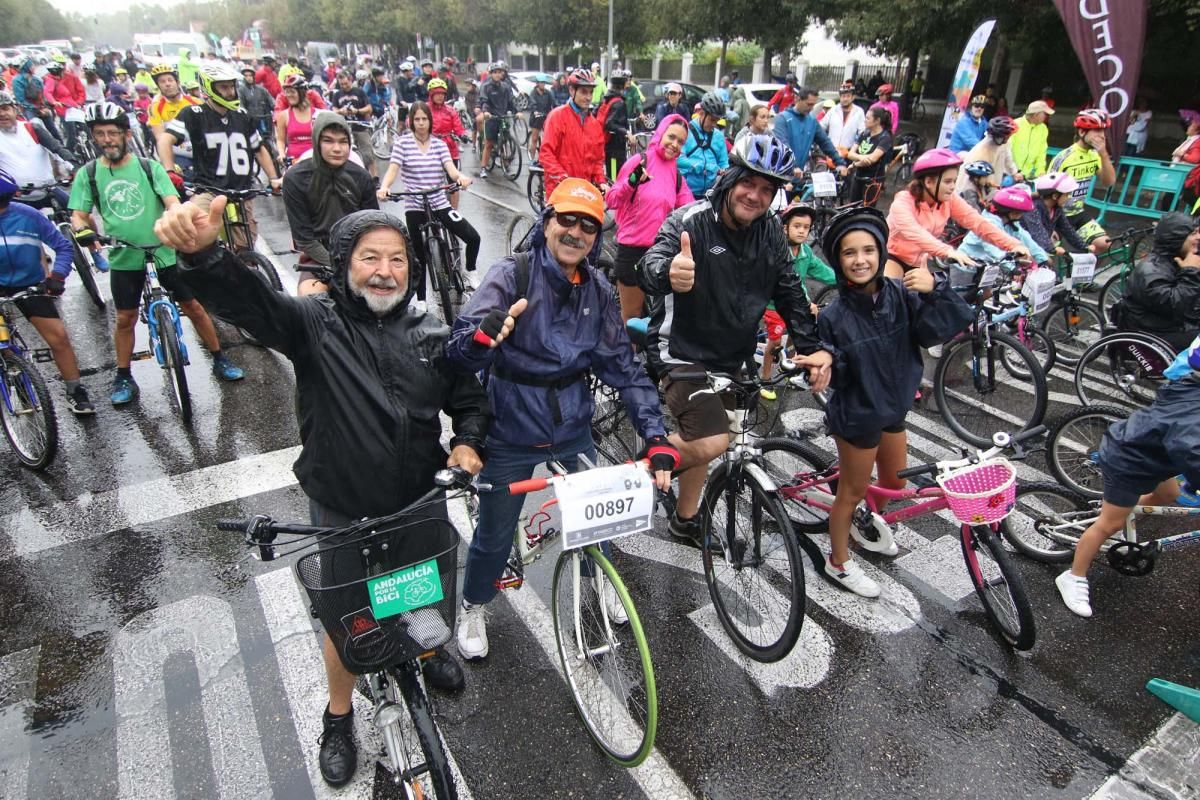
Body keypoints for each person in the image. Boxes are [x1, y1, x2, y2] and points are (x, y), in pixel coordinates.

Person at [153, 199, 488, 787]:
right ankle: (338, 717)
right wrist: (201, 256)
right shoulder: (314, 322)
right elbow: (251, 303)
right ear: (343, 263)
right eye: (369, 258)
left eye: (397, 260)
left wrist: (467, 443)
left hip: (419, 499)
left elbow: (466, 399)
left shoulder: (431, 330)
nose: (386, 271)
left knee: (422, 595)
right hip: (341, 505)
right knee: (350, 622)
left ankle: (431, 651)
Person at [445, 178, 678, 661]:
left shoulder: (596, 287)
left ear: (596, 236)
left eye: (588, 226)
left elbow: (623, 367)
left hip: (572, 425)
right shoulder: (513, 275)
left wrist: (655, 435)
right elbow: (458, 351)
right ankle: (473, 604)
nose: (575, 232)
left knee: (599, 516)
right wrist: (481, 338)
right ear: (547, 222)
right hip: (511, 427)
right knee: (494, 533)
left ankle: (603, 582)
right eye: (566, 220)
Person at [638, 134, 833, 547]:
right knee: (711, 439)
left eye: (767, 189)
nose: (756, 196)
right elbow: (650, 262)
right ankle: (629, 474)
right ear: (729, 179)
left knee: (706, 439)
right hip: (681, 351)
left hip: (732, 355)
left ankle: (685, 519)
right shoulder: (690, 221)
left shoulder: (771, 234)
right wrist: (668, 273)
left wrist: (810, 346)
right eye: (749, 183)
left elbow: (790, 291)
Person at [818, 206, 973, 596]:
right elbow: (834, 367)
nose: (860, 260)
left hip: (895, 406)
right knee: (850, 493)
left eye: (868, 250)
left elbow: (938, 330)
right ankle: (837, 561)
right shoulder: (833, 315)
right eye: (849, 253)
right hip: (857, 415)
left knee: (890, 482)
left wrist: (937, 289)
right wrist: (823, 363)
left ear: (882, 252)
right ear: (838, 260)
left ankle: (867, 522)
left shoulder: (902, 296)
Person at [69, 102, 244, 405]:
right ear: (93, 138)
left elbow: (172, 202)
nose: (107, 139)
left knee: (194, 307)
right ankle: (123, 375)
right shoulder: (89, 174)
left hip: (164, 250)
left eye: (113, 132)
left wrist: (178, 219)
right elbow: (78, 214)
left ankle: (220, 358)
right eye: (100, 134)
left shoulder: (148, 167)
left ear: (125, 135)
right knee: (125, 318)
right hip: (125, 256)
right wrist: (82, 230)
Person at [1055, 331, 1200, 618]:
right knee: (1108, 524)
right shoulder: (1191, 409)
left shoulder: (1188, 382)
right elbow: (1192, 451)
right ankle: (1073, 576)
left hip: (1154, 456)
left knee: (1168, 494)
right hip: (1130, 461)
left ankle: (1126, 514)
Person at [0, 168, 96, 414]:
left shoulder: (28, 215)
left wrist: (57, 276)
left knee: (59, 337)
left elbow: (63, 247)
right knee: (3, 342)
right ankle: (13, 371)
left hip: (29, 284)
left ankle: (75, 390)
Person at [159, 63, 283, 249]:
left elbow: (259, 149)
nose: (230, 91)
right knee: (195, 236)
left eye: (231, 86)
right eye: (223, 87)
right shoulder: (193, 114)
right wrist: (169, 170)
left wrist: (274, 178)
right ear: (209, 88)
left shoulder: (242, 116)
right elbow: (165, 140)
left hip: (242, 191)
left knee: (245, 247)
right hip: (209, 189)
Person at [377, 101, 478, 301]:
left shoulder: (439, 144)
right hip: (414, 206)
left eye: (424, 119)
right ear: (411, 122)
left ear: (430, 121)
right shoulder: (402, 144)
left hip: (439, 202)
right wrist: (385, 187)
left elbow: (451, 169)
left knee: (473, 237)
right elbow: (393, 169)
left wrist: (461, 178)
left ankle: (471, 271)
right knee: (417, 257)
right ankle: (421, 300)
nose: (421, 123)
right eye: (417, 119)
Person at [884, 148, 1028, 279]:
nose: (953, 187)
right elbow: (914, 232)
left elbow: (977, 222)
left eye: (954, 181)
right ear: (928, 182)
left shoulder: (948, 200)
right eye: (948, 181)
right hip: (892, 256)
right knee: (891, 294)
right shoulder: (903, 201)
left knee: (928, 303)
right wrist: (948, 251)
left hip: (919, 261)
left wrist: (1012, 244)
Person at [606, 113, 693, 323]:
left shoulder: (675, 173)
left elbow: (690, 207)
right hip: (632, 250)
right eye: (671, 137)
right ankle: (627, 356)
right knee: (632, 318)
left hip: (658, 252)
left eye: (680, 142)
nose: (675, 144)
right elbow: (611, 199)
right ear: (660, 134)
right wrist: (633, 180)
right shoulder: (640, 160)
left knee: (660, 319)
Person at [284, 113, 378, 295]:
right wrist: (338, 266)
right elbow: (305, 240)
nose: (337, 148)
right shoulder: (295, 178)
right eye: (328, 141)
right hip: (317, 256)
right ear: (317, 142)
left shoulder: (361, 177)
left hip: (359, 255)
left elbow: (374, 229)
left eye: (343, 142)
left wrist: (359, 262)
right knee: (311, 301)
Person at [759, 202, 836, 399]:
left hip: (794, 305)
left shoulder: (805, 252)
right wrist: (805, 302)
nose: (802, 231)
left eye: (806, 227)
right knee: (774, 343)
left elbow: (822, 271)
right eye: (797, 226)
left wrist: (846, 279)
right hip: (774, 305)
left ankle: (791, 369)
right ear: (785, 227)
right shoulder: (779, 249)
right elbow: (790, 279)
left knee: (799, 333)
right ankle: (765, 379)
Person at [1116, 212, 1200, 352]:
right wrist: (1191, 273)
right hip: (1155, 336)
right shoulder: (1151, 271)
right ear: (1176, 238)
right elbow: (1175, 306)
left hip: (1175, 326)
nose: (1198, 237)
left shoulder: (1177, 260)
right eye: (1192, 234)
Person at [1047, 109, 1116, 251]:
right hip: (1058, 214)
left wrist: (1103, 154)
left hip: (1078, 213)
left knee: (1104, 244)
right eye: (1097, 131)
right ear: (1082, 132)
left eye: (1103, 131)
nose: (1102, 136)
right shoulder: (1064, 158)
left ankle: (1081, 271)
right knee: (1048, 251)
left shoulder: (1095, 155)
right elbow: (1046, 192)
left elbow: (1109, 182)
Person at [538, 69, 607, 197]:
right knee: (554, 218)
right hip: (560, 189)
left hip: (584, 191)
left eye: (591, 92)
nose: (588, 97)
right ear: (571, 91)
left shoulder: (594, 125)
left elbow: (597, 160)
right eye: (583, 92)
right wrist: (561, 177)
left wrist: (600, 181)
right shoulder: (557, 117)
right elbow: (546, 153)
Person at [958, 187, 1049, 280]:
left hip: (985, 268)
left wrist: (1043, 259)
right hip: (965, 267)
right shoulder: (988, 223)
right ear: (1013, 213)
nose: (1022, 216)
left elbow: (1026, 239)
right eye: (1021, 213)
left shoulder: (1010, 224)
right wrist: (1012, 268)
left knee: (990, 293)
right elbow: (995, 251)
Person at [773, 87, 847, 181]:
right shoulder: (783, 118)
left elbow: (825, 142)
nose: (811, 108)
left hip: (799, 176)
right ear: (798, 99)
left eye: (813, 105)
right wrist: (792, 165)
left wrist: (839, 163)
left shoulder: (812, 120)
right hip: (781, 176)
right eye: (809, 104)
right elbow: (782, 144)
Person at [1024, 171, 1091, 257]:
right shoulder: (1033, 208)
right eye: (1066, 195)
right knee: (1048, 264)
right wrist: (1052, 248)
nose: (1068, 198)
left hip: (1037, 249)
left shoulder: (1056, 209)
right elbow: (1038, 232)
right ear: (1055, 196)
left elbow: (1067, 230)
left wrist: (1085, 247)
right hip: (1023, 250)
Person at [677, 92, 731, 198]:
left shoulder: (719, 136)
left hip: (710, 194)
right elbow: (677, 159)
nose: (714, 124)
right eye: (712, 120)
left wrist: (724, 170)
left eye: (717, 121)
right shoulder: (685, 131)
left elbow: (724, 164)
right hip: (686, 193)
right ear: (701, 113)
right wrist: (699, 165)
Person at [427, 78, 467, 208]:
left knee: (454, 183)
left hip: (449, 147)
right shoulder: (425, 110)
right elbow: (413, 124)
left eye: (442, 94)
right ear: (431, 95)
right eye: (436, 93)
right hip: (429, 147)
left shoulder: (450, 110)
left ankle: (454, 211)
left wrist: (462, 135)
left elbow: (458, 126)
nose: (439, 96)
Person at [328, 70, 376, 178]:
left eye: (346, 83)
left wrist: (357, 111)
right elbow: (333, 110)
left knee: (368, 153)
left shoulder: (359, 92)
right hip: (343, 128)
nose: (344, 86)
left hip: (360, 126)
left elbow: (369, 108)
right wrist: (341, 111)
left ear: (350, 80)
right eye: (341, 84)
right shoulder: (337, 95)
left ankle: (375, 178)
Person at [955, 116, 1021, 194]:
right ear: (999, 136)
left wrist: (1014, 172)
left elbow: (1008, 158)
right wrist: (991, 185)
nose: (1008, 139)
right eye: (1007, 136)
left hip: (992, 187)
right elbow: (974, 179)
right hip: (972, 190)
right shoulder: (983, 150)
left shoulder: (1003, 144)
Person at [841, 106, 892, 205]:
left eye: (868, 118)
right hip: (858, 177)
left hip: (873, 181)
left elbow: (873, 159)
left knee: (867, 209)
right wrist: (863, 157)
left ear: (877, 121)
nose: (865, 120)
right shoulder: (864, 133)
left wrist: (854, 165)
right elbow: (850, 154)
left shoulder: (885, 138)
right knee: (852, 206)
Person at [475, 62, 518, 179]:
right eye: (495, 72)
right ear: (491, 74)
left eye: (500, 72)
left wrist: (516, 112)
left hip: (503, 117)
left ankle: (506, 165)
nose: (498, 75)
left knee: (506, 139)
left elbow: (511, 102)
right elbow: (484, 101)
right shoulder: (486, 86)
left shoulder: (506, 87)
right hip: (491, 117)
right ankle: (483, 168)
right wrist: (486, 112)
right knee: (489, 143)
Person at [598, 69, 634, 182]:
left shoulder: (607, 99)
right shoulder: (619, 103)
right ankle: (612, 199)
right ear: (623, 84)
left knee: (612, 175)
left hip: (608, 146)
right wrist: (626, 132)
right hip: (615, 148)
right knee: (614, 179)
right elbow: (609, 123)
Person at [1009, 100, 1055, 180]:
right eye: (1045, 114)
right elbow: (1007, 150)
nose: (1046, 117)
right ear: (1036, 115)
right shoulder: (1015, 125)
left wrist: (1040, 171)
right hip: (1009, 174)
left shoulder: (1043, 129)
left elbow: (1042, 152)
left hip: (1026, 176)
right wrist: (1013, 171)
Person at [275, 73, 315, 162]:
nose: (289, 95)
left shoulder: (316, 114)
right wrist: (282, 154)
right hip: (293, 163)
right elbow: (280, 140)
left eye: (292, 92)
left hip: (314, 161)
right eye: (287, 92)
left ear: (302, 93)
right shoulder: (284, 115)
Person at [821, 84, 866, 154]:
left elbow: (862, 132)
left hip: (848, 152)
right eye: (843, 96)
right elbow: (821, 126)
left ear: (853, 97)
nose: (845, 99)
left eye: (848, 96)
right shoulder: (833, 110)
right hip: (831, 150)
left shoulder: (859, 112)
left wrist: (855, 148)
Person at [238, 65, 276, 144]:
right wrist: (245, 114)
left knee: (267, 138)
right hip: (250, 120)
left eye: (250, 75)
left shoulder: (261, 89)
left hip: (263, 119)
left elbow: (271, 100)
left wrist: (277, 109)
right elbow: (240, 104)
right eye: (246, 76)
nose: (249, 77)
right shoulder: (241, 90)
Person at [525, 75, 554, 163]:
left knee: (548, 138)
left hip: (546, 116)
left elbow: (553, 103)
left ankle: (546, 157)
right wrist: (535, 111)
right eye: (541, 83)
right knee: (534, 138)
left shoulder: (548, 93)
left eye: (544, 83)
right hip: (536, 118)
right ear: (537, 84)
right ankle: (532, 159)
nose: (543, 85)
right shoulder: (533, 93)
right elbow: (532, 104)